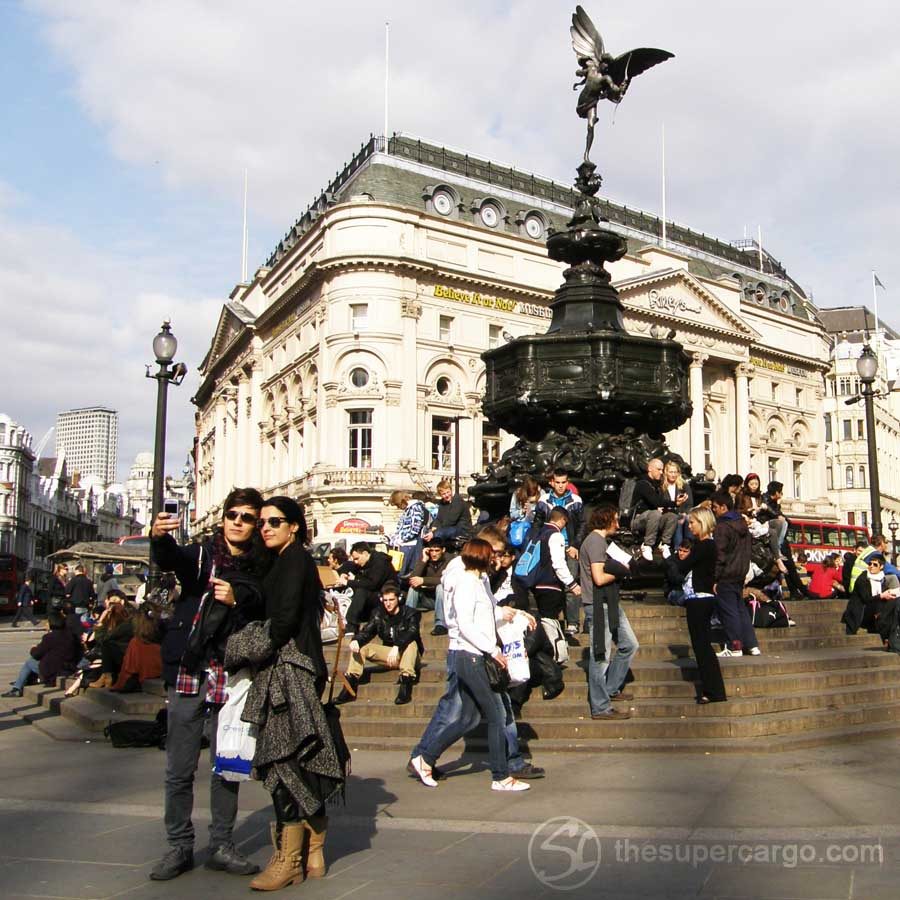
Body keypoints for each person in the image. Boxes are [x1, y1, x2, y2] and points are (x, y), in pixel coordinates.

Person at [148, 487, 270, 882]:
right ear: (223, 518)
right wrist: (160, 537)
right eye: (233, 514)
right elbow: (173, 560)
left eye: (247, 517)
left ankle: (221, 844)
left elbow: (266, 600)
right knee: (179, 767)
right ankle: (179, 846)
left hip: (232, 672)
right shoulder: (202, 556)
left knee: (226, 764)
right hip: (191, 667)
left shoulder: (259, 565)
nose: (238, 522)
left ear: (255, 524)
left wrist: (240, 597)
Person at [231, 496, 345, 891]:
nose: (265, 528)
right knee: (298, 761)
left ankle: (288, 860)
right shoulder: (284, 560)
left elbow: (281, 624)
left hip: (288, 670)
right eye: (262, 522)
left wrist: (242, 647)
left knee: (282, 764)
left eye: (274, 522)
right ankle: (313, 852)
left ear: (295, 525)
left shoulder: (294, 561)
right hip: (296, 668)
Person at [408, 526, 544, 786]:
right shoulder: (463, 577)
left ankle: (425, 757)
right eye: (496, 553)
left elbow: (488, 607)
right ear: (484, 550)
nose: (499, 559)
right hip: (469, 652)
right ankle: (502, 774)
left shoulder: (478, 576)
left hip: (474, 651)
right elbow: (461, 620)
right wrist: (492, 650)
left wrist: (513, 614)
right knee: (488, 712)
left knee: (468, 716)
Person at [579, 504, 637, 720]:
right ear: (607, 520)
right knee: (600, 655)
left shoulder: (601, 541)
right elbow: (599, 578)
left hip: (609, 602)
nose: (618, 524)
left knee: (629, 644)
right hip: (598, 603)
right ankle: (600, 706)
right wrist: (622, 572)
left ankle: (611, 688)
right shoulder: (595, 542)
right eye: (615, 519)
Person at [668, 507, 727, 703]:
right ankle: (713, 689)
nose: (690, 526)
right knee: (702, 646)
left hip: (699, 599)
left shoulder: (703, 545)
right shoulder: (706, 545)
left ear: (702, 523)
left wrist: (670, 555)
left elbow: (682, 565)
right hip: (701, 597)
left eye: (693, 522)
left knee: (702, 647)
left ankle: (713, 690)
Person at [336, 582, 421, 705]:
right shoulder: (378, 614)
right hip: (391, 656)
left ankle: (406, 683)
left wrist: (397, 646)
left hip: (410, 655)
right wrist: (356, 640)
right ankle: (350, 685)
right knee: (362, 647)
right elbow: (367, 631)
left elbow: (412, 632)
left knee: (411, 643)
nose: (388, 603)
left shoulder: (411, 613)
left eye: (391, 599)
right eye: (385, 600)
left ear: (399, 599)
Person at [710, 491, 760, 657]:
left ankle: (735, 646)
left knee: (729, 611)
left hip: (726, 574)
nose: (713, 510)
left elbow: (719, 555)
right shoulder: (742, 525)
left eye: (715, 507)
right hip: (740, 573)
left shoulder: (722, 527)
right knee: (740, 610)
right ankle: (752, 645)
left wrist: (715, 578)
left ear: (723, 507)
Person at [534, 468, 584, 634]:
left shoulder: (575, 500)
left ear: (567, 482)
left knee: (571, 583)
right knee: (551, 584)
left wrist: (576, 544)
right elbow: (537, 524)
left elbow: (582, 525)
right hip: (549, 546)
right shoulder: (544, 500)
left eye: (564, 482)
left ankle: (573, 622)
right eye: (558, 482)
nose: (561, 486)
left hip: (569, 547)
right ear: (552, 482)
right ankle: (551, 621)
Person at [3, 610, 81, 697]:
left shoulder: (49, 637)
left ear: (52, 623)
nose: (45, 624)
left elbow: (36, 654)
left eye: (47, 622)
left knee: (30, 662)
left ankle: (17, 688)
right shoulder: (70, 635)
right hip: (68, 668)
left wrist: (33, 648)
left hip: (54, 670)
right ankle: (24, 681)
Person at [532, 508, 582, 622]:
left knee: (541, 621)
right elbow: (558, 563)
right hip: (550, 585)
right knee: (549, 623)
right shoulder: (556, 535)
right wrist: (572, 584)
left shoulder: (538, 533)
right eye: (566, 522)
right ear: (562, 520)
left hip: (536, 584)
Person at [632, 458, 684, 562]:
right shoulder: (643, 483)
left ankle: (665, 544)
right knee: (655, 514)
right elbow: (656, 501)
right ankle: (647, 545)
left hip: (654, 519)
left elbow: (660, 502)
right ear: (650, 469)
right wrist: (675, 503)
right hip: (638, 520)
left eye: (662, 470)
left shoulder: (658, 485)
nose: (661, 472)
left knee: (672, 516)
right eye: (659, 469)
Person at [342, 542, 397, 632]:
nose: (356, 562)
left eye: (357, 559)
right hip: (377, 593)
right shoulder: (367, 562)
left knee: (362, 591)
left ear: (365, 554)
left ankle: (351, 624)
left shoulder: (380, 563)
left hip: (386, 593)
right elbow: (350, 565)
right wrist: (344, 573)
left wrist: (349, 582)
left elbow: (372, 584)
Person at [842, 553, 900, 634]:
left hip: (874, 610)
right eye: (870, 564)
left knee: (895, 602)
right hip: (861, 611)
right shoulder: (863, 578)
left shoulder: (882, 578)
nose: (871, 566)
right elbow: (866, 598)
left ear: (881, 567)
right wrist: (882, 595)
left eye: (875, 564)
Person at [406, 539, 453, 635]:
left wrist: (424, 580)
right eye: (431, 550)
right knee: (413, 589)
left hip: (444, 599)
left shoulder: (450, 560)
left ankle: (440, 625)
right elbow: (412, 580)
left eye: (437, 551)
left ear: (443, 550)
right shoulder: (425, 558)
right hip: (427, 598)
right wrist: (424, 560)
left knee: (440, 587)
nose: (434, 554)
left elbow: (448, 580)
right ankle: (407, 620)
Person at [110, 606, 162, 691]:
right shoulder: (161, 625)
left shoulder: (137, 639)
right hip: (157, 662)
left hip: (152, 665)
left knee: (133, 644)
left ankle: (126, 679)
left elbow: (110, 636)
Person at [87, 600, 134, 690]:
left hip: (125, 657)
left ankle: (106, 676)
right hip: (122, 655)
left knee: (107, 645)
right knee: (107, 647)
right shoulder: (125, 624)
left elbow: (102, 639)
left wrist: (100, 622)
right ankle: (105, 676)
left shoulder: (123, 627)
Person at [388, 490, 429, 580]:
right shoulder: (409, 509)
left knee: (401, 572)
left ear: (402, 501)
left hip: (409, 544)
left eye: (398, 505)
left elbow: (415, 529)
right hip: (404, 544)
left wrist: (402, 539)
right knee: (398, 571)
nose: (398, 507)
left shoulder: (415, 508)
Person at [422, 478, 472, 544]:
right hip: (450, 528)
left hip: (462, 529)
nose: (447, 495)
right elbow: (439, 518)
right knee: (428, 533)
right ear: (440, 495)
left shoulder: (458, 502)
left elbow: (450, 521)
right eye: (444, 494)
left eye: (448, 492)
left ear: (451, 490)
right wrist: (434, 527)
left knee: (439, 533)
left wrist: (434, 532)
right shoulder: (442, 503)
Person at [757, 481, 788, 573]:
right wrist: (778, 514)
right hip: (763, 522)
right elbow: (771, 511)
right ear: (776, 492)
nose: (782, 495)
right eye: (781, 492)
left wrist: (778, 505)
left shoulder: (775, 501)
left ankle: (778, 547)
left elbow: (779, 514)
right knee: (780, 523)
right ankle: (777, 549)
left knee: (784, 522)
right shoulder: (765, 498)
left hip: (770, 522)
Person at [663, 460, 693, 550]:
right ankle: (678, 549)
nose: (673, 474)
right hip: (668, 515)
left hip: (683, 513)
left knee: (688, 519)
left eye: (675, 472)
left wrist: (683, 513)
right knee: (677, 520)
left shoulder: (684, 485)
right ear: (666, 473)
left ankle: (689, 547)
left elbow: (689, 503)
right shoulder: (662, 486)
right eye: (671, 472)